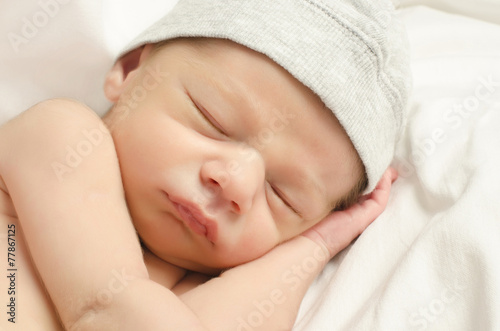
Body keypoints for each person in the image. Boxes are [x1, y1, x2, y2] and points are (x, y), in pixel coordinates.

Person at [0, 0, 410, 330]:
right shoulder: (63, 137)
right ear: (130, 72)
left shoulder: (192, 287)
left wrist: (311, 249)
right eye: (213, 121)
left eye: (284, 197)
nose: (235, 184)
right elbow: (106, 310)